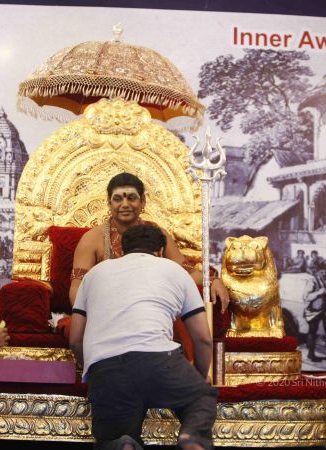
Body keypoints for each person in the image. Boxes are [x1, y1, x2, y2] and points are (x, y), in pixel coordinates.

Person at [70, 224, 218, 450]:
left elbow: (75, 339)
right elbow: (203, 338)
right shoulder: (174, 270)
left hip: (106, 369)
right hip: (159, 361)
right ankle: (192, 437)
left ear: (122, 250)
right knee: (201, 398)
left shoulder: (94, 275)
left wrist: (94, 369)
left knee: (114, 438)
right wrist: (198, 375)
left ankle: (123, 444)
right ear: (160, 251)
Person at [67, 173, 229, 346]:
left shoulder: (158, 235)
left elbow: (186, 272)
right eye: (118, 199)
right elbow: (77, 288)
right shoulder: (92, 239)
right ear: (109, 203)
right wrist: (93, 317)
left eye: (131, 198)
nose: (125, 204)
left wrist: (212, 281)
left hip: (152, 311)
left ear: (143, 202)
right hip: (107, 313)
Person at [302, 260, 326, 362]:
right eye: (321, 272)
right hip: (314, 310)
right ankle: (311, 354)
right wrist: (318, 293)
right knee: (312, 331)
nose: (324, 274)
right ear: (317, 272)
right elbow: (305, 297)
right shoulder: (312, 281)